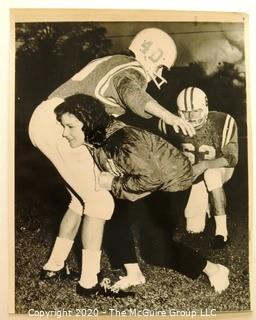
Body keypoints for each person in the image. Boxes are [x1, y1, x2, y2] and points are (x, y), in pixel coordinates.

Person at [28, 27, 195, 296]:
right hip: (61, 124)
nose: (160, 73)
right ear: (152, 54)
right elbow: (132, 92)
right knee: (100, 201)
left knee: (79, 200)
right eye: (161, 65)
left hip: (49, 119)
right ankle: (89, 282)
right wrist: (170, 116)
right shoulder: (132, 69)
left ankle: (54, 265)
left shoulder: (110, 60)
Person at [54, 93, 230, 294]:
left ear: (88, 122)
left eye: (70, 126)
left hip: (172, 182)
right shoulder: (98, 136)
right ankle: (134, 274)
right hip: (148, 179)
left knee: (155, 251)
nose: (64, 133)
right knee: (110, 217)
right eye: (63, 126)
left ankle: (215, 270)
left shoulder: (122, 140)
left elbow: (151, 179)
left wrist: (113, 183)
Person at [158, 87, 238, 248]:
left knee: (212, 175)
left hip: (219, 167)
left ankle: (222, 232)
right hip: (193, 175)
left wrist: (204, 165)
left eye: (195, 111)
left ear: (205, 108)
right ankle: (207, 202)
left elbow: (231, 158)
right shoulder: (168, 125)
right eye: (185, 112)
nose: (190, 116)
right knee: (194, 229)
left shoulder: (222, 122)